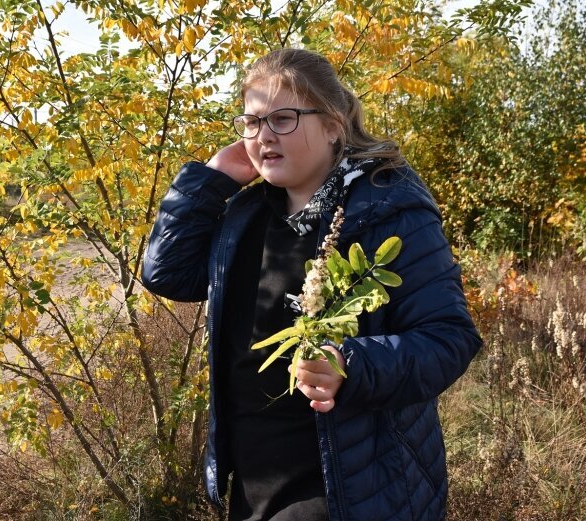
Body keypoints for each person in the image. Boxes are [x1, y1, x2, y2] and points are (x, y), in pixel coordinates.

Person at [142, 48, 482, 521]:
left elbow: (450, 338)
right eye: (252, 122)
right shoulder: (245, 216)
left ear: (333, 125)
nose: (263, 137)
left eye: (282, 119)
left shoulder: (389, 210)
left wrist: (354, 365)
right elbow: (166, 273)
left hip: (354, 488)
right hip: (256, 485)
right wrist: (212, 178)